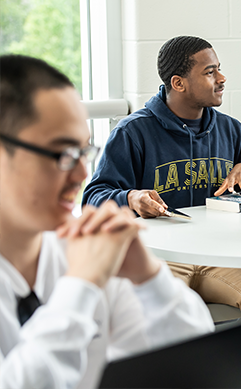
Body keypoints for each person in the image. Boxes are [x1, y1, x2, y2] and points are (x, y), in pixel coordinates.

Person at [0, 54, 215, 388]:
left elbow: (195, 367)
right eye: (62, 154)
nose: (82, 173)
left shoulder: (84, 250)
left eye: (84, 152)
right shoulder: (85, 269)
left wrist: (149, 278)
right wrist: (80, 287)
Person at [82, 36, 241, 317]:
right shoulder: (133, 132)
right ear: (178, 83)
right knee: (163, 316)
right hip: (159, 257)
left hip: (219, 256)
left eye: (219, 69)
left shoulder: (231, 130)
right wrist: (131, 197)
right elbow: (92, 199)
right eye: (210, 72)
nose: (222, 78)